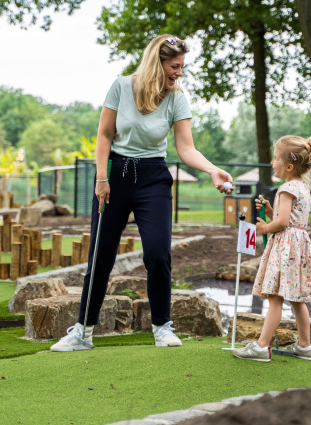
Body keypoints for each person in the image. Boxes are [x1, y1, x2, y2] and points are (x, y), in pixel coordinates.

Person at [51, 35, 234, 351]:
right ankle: (83, 331)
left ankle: (162, 326)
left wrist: (211, 169)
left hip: (153, 178)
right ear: (157, 62)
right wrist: (101, 178)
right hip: (115, 176)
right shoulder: (121, 87)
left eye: (181, 67)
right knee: (101, 255)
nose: (179, 72)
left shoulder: (177, 97)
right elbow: (105, 134)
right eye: (174, 66)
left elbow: (186, 147)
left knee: (158, 254)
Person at [233, 135, 311, 362]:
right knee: (297, 299)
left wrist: (263, 228)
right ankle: (304, 346)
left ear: (289, 166)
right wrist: (269, 209)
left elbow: (282, 224)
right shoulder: (302, 188)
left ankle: (262, 347)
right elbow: (290, 220)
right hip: (298, 246)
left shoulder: (286, 189)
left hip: (285, 247)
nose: (272, 163)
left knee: (274, 297)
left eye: (275, 159)